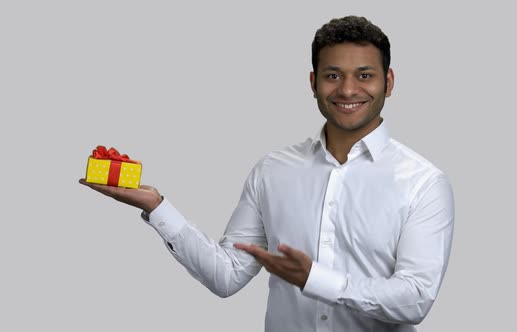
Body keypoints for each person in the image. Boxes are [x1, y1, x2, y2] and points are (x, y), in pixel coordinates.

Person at [79, 15, 454, 332]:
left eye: (365, 75)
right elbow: (226, 276)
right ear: (313, 83)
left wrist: (314, 279)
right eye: (333, 75)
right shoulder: (273, 171)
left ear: (388, 82)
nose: (348, 89)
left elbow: (415, 299)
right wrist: (158, 207)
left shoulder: (422, 182)